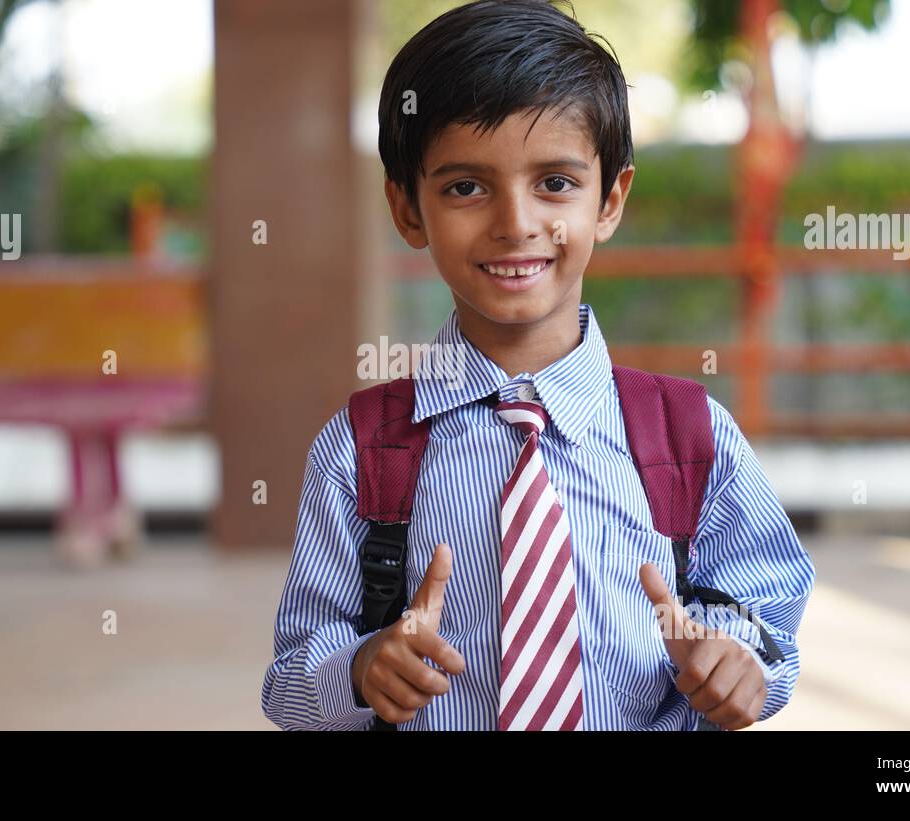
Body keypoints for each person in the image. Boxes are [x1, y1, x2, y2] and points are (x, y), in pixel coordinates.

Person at [261, 0, 815, 731]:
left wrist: (739, 660)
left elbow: (766, 615)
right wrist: (361, 669)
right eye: (465, 187)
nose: (515, 222)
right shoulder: (359, 450)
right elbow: (291, 682)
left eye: (555, 182)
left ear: (610, 199)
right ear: (408, 209)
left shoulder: (691, 438)